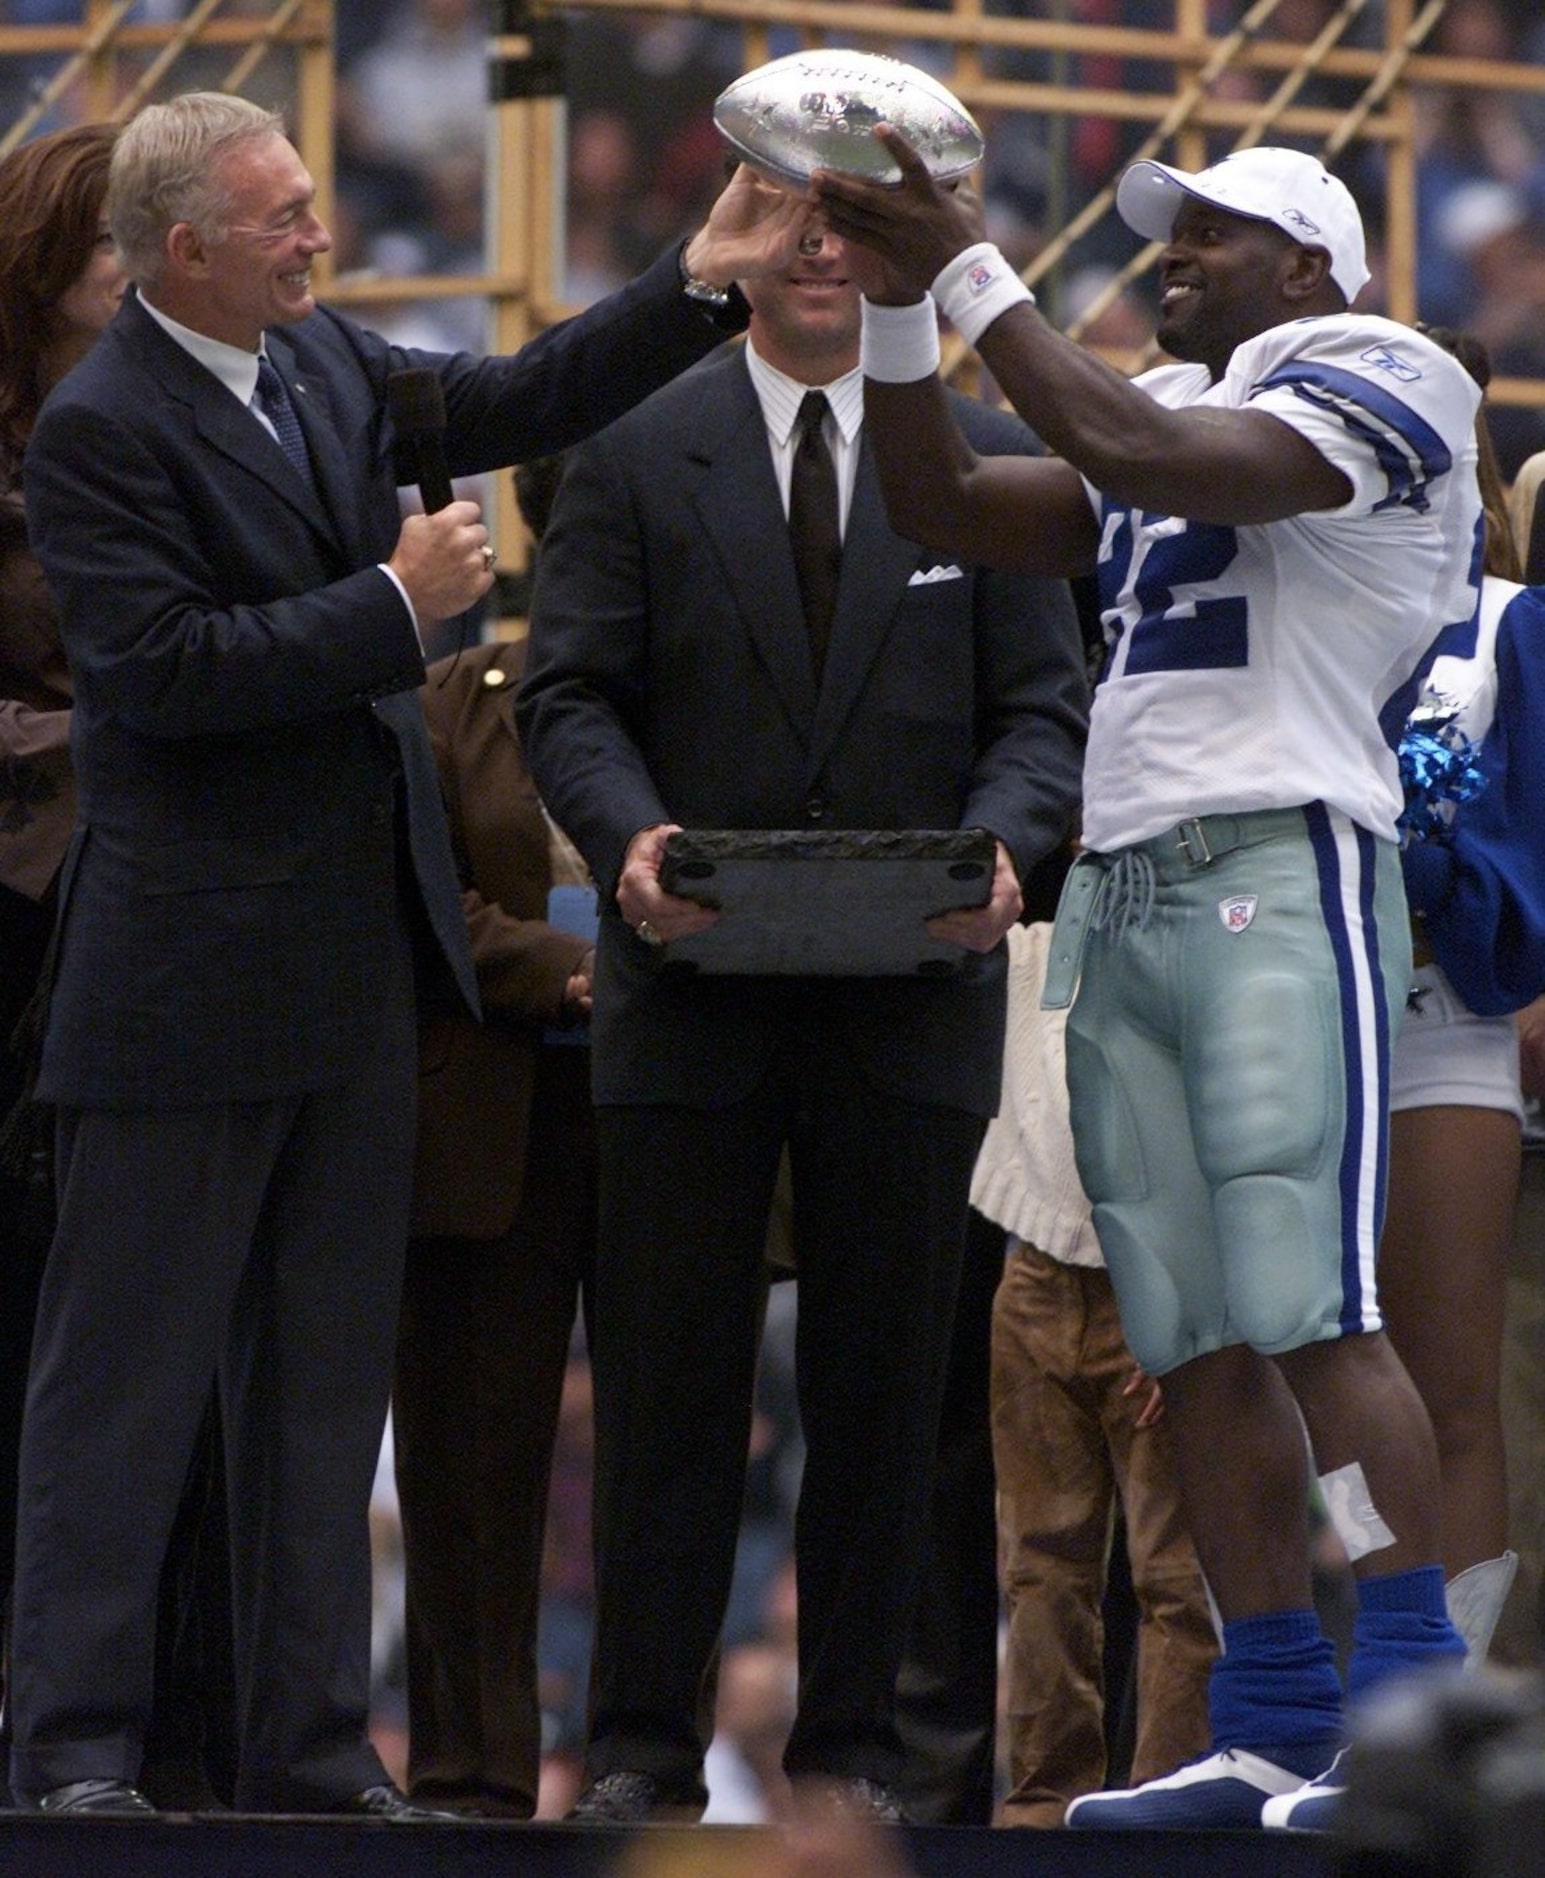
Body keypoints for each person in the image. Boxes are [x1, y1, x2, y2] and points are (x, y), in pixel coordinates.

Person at [5, 89, 810, 1819]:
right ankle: (67, 1752)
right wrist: (390, 604)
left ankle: (307, 1748)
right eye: (281, 217)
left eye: (314, 201)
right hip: (175, 987)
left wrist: (698, 279)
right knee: (124, 1387)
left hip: (362, 977)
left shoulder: (319, 367)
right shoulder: (101, 426)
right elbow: (151, 675)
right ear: (184, 251)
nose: (319, 235)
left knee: (315, 1399)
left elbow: (514, 400)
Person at [812, 137, 1479, 1832]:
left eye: (1220, 231)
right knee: (1186, 1337)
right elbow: (945, 502)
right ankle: (1268, 1716)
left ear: (1317, 265)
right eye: (1169, 230)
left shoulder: (1388, 370)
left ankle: (1407, 1719)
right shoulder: (1166, 387)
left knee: (1311, 1304)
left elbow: (1139, 443)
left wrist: (970, 269)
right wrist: (902, 313)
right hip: (1121, 882)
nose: (1176, 252)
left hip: (1279, 854)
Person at [516, 208, 1088, 1823]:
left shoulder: (981, 456)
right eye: (791, 217)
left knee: (890, 1390)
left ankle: (855, 1756)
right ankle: (637, 1746)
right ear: (736, 238)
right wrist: (625, 833)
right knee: (665, 1381)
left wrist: (1005, 844)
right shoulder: (635, 447)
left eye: (858, 224)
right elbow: (572, 691)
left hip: (913, 986)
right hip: (686, 982)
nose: (824, 251)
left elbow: (1044, 707)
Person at [391, 454, 601, 1819]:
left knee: (672, 1466)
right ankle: (468, 1775)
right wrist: (584, 972)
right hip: (488, 1132)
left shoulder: (718, 691)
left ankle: (650, 1761)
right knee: (467, 1465)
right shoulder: (447, 705)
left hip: (673, 1120)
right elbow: (422, 907)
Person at [974, 918, 1217, 1824]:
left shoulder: (1213, 950)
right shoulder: (1026, 949)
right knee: (1039, 1561)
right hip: (1033, 1275)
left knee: (1175, 1574)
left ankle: (1165, 1794)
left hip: (1159, 1275)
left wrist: (1195, 1282)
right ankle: (1044, 1793)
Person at [1386, 328, 1545, 1667]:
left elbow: (1523, 850)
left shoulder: (1505, 620)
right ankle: (1329, 1688)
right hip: (1286, 1016)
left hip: (1442, 1020)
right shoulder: (1275, 596)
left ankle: (1450, 1707)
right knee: (1310, 1389)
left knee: (1451, 1396)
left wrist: (1424, 858)